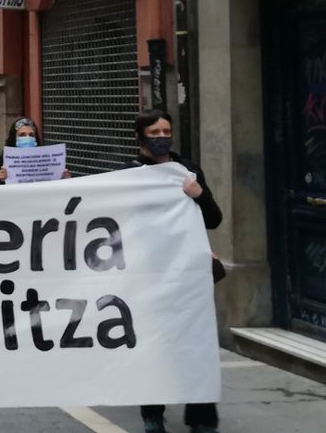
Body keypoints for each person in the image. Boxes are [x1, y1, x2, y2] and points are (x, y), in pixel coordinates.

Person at [124, 108, 222, 433]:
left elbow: (213, 218)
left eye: (167, 131)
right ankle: (152, 413)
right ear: (139, 137)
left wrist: (199, 195)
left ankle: (202, 416)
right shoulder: (128, 175)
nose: (163, 138)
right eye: (155, 133)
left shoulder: (188, 171)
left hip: (188, 273)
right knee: (153, 345)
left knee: (197, 341)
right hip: (148, 275)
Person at [0, 117, 70, 185]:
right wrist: (2, 180)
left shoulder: (48, 160)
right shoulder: (1, 162)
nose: (27, 138)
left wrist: (65, 179)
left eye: (31, 135)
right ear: (14, 138)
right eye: (22, 135)